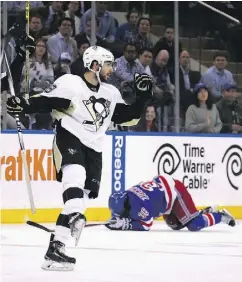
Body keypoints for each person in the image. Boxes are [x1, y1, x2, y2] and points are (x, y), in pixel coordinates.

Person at [6, 45, 153, 271]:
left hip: (94, 148)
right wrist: (23, 105)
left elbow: (129, 118)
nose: (111, 68)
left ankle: (56, 248)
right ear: (94, 65)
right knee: (75, 187)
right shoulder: (72, 84)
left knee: (81, 203)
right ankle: (59, 242)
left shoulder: (110, 93)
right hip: (70, 137)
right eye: (108, 64)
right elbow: (47, 101)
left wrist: (143, 97)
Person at [106, 174, 236, 231]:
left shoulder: (140, 204)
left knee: (194, 225)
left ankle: (221, 216)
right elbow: (123, 214)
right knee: (176, 225)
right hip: (165, 196)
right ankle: (203, 212)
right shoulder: (128, 196)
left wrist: (125, 224)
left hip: (175, 192)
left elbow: (146, 224)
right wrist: (116, 220)